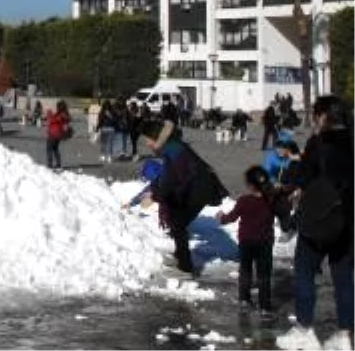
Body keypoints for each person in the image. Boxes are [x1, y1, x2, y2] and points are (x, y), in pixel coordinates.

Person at [277, 96, 355, 350]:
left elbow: (301, 176)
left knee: (304, 273)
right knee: (344, 280)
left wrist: (290, 176)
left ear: (323, 116)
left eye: (315, 114)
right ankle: (344, 335)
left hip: (319, 222)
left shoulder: (318, 143)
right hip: (348, 223)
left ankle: (304, 330)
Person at [141, 118, 227, 274]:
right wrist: (154, 190)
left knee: (177, 223)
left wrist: (154, 197)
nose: (146, 143)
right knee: (175, 221)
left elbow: (169, 181)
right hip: (194, 188)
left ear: (155, 138)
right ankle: (180, 256)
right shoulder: (171, 146)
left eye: (147, 139)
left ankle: (186, 267)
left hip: (199, 190)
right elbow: (165, 176)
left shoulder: (172, 150)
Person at [216, 166, 275, 314]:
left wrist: (221, 218)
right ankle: (265, 307)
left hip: (246, 241)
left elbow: (231, 217)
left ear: (249, 185)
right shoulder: (271, 200)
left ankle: (244, 299)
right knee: (264, 274)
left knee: (245, 270)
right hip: (265, 242)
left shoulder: (244, 201)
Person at [45, 100, 71, 170]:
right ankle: (58, 164)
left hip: (53, 134)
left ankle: (50, 165)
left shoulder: (60, 114)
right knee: (55, 149)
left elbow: (53, 120)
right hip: (59, 134)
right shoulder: (65, 114)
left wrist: (49, 114)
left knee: (49, 149)